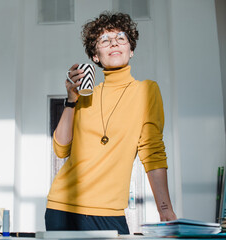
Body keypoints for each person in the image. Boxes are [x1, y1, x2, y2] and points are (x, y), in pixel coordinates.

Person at [45, 11, 177, 234]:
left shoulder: (146, 91)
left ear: (131, 49)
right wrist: (71, 101)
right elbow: (61, 148)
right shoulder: (85, 96)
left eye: (121, 38)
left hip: (109, 212)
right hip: (62, 207)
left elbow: (152, 151)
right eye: (105, 40)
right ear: (95, 56)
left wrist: (165, 210)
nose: (114, 42)